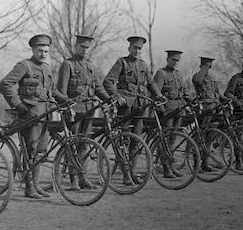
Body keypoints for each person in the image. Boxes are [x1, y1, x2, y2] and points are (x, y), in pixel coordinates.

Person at [0, 34, 67, 199]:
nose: (43, 54)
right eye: (40, 50)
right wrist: (17, 104)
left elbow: (52, 91)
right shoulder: (25, 66)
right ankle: (28, 187)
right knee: (30, 150)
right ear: (33, 50)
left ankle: (36, 185)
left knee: (41, 152)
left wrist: (65, 99)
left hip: (45, 115)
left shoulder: (46, 68)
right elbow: (5, 83)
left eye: (46, 51)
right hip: (29, 115)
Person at [103, 36, 163, 183]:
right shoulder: (121, 62)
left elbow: (151, 82)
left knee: (137, 140)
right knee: (124, 140)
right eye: (134, 48)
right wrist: (116, 96)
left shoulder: (143, 65)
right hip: (126, 106)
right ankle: (125, 174)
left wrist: (159, 95)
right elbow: (108, 81)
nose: (137, 51)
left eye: (139, 49)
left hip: (141, 106)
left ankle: (133, 171)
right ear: (129, 48)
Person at [57, 34, 111, 139]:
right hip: (74, 110)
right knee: (73, 143)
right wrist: (67, 108)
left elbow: (98, 87)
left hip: (89, 109)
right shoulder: (68, 64)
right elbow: (62, 90)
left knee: (85, 141)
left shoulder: (90, 66)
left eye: (87, 48)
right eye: (82, 47)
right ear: (76, 46)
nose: (85, 50)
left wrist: (109, 99)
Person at [154, 50, 187, 178]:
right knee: (166, 139)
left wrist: (187, 100)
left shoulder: (178, 75)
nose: (175, 63)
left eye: (177, 61)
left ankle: (171, 166)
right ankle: (166, 167)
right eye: (173, 60)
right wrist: (161, 110)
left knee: (173, 139)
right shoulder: (161, 74)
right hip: (167, 111)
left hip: (179, 109)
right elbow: (155, 93)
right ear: (167, 59)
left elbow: (183, 91)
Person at [192, 56, 223, 128]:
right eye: (206, 66)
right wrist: (203, 70)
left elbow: (217, 92)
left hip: (214, 105)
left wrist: (226, 99)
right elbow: (198, 81)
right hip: (204, 106)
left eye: (209, 67)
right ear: (202, 66)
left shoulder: (211, 79)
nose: (208, 68)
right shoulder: (197, 76)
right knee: (204, 127)